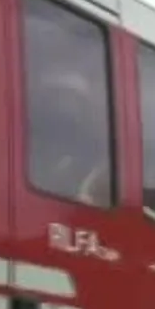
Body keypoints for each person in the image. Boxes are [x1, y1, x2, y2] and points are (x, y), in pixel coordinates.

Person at [30, 68, 111, 207]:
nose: (64, 106)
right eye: (57, 97)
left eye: (71, 99)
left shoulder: (93, 153)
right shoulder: (31, 142)